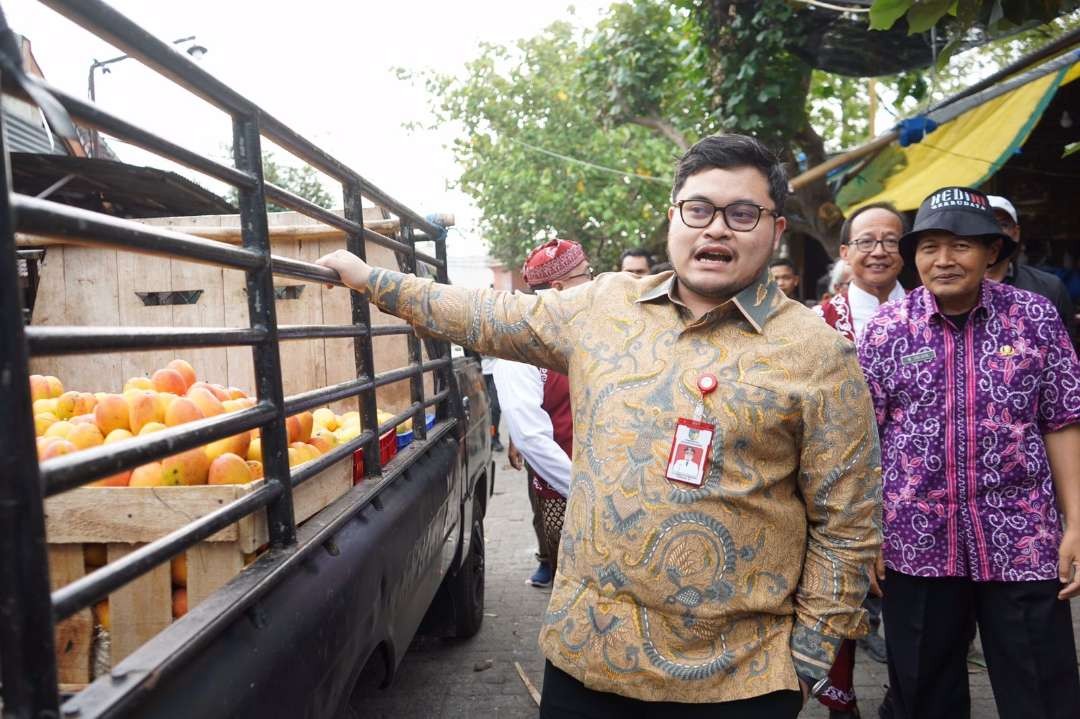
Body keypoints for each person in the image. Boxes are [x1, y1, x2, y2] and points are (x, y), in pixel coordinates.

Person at [317, 133, 881, 718]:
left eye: (743, 213)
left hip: (741, 680)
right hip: (589, 659)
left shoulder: (817, 354)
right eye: (699, 209)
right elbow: (490, 315)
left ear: (776, 229)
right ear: (674, 217)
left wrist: (808, 657)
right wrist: (371, 281)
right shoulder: (605, 307)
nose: (717, 228)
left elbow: (847, 520)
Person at [859, 186, 1080, 719]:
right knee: (923, 692)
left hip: (1022, 536)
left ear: (992, 252)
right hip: (915, 540)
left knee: (1043, 692)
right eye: (930, 246)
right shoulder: (887, 331)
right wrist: (869, 532)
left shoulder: (1034, 318)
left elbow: (1062, 418)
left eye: (961, 245)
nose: (944, 260)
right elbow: (864, 439)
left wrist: (1075, 522)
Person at [813, 203, 907, 719]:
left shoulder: (929, 313)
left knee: (914, 612)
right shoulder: (817, 323)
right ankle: (839, 705)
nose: (879, 252)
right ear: (846, 253)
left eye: (891, 241)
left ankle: (907, 696)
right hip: (840, 487)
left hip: (918, 489)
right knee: (837, 601)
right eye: (867, 242)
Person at [494, 238, 590, 589]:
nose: (593, 282)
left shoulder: (594, 327)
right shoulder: (521, 347)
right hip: (567, 483)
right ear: (559, 288)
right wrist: (586, 492)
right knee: (573, 578)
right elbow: (532, 437)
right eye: (587, 274)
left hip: (608, 475)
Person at [986, 194, 1076, 338]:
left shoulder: (1049, 287)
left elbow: (1066, 351)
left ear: (1016, 233)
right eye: (985, 224)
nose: (995, 232)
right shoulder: (954, 289)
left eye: (1002, 225)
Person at [480, 355, 504, 452]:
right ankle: (482, 439)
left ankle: (494, 437)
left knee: (495, 407)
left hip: (495, 372)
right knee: (479, 409)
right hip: (478, 371)